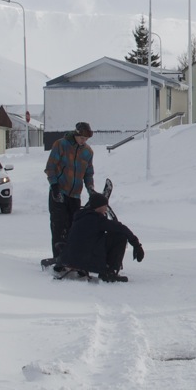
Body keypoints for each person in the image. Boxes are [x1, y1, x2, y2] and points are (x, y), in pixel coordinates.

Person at [58, 189, 143, 282]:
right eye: (105, 206)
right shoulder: (98, 220)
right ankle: (109, 272)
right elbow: (122, 228)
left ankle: (82, 265)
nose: (106, 209)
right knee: (120, 236)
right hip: (86, 261)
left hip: (68, 258)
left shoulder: (79, 216)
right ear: (99, 206)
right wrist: (136, 245)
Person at [44, 121, 96, 256]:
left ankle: (71, 257)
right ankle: (58, 257)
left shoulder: (88, 152)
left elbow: (88, 173)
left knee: (73, 227)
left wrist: (90, 189)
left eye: (86, 139)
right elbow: (50, 167)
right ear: (76, 134)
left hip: (75, 196)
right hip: (59, 192)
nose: (83, 141)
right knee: (58, 225)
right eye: (82, 138)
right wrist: (54, 185)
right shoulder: (61, 145)